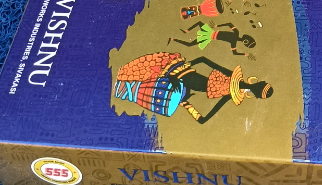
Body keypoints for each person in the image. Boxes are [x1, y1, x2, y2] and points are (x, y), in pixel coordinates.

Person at [114, 52, 272, 125]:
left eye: (258, 92)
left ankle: (123, 89)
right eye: (258, 91)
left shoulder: (231, 93)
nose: (255, 92)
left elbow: (203, 120)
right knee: (141, 81)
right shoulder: (231, 80)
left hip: (181, 87)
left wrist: (187, 105)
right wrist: (183, 69)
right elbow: (203, 59)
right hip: (179, 75)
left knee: (142, 92)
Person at [169, 21, 256, 59]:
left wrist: (217, 26)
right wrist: (244, 54)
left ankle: (182, 34)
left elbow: (229, 24)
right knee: (190, 44)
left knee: (190, 42)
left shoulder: (235, 36)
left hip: (209, 34)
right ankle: (174, 39)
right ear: (245, 41)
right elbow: (235, 53)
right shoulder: (234, 41)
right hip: (209, 35)